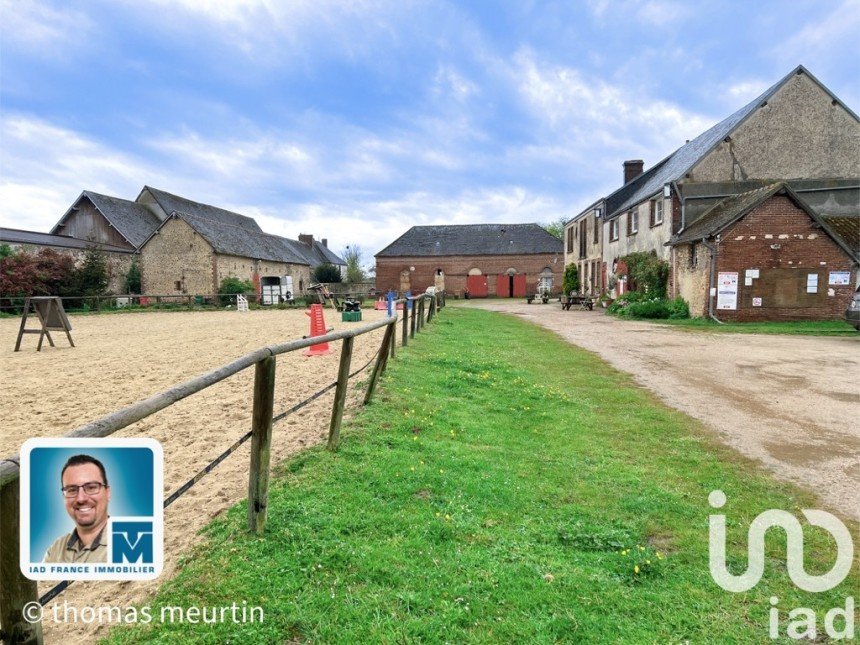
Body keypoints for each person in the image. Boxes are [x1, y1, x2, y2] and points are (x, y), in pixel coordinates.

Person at [43, 454, 111, 563]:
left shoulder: (131, 544)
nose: (81, 498)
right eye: (72, 490)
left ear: (107, 493)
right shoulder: (56, 548)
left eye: (91, 487)